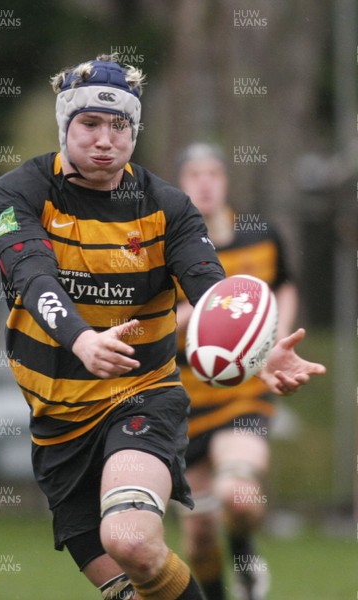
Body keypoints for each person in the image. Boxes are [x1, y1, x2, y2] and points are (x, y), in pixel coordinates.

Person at [0, 55, 325, 600]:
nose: (104, 139)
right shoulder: (17, 193)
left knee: (133, 541)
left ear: (135, 132)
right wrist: (81, 337)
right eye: (89, 124)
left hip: (142, 398)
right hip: (57, 425)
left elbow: (211, 293)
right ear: (64, 126)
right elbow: (32, 276)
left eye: (119, 126)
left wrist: (261, 349)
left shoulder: (169, 208)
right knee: (132, 589)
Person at [174, 142, 303, 600]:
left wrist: (277, 338)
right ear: (182, 185)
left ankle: (246, 556)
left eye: (213, 173)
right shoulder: (169, 250)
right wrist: (188, 315)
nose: (205, 183)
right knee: (200, 536)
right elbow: (147, 328)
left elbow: (283, 287)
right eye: (194, 175)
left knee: (238, 495)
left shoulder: (261, 236)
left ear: (225, 181)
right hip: (184, 407)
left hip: (242, 397)